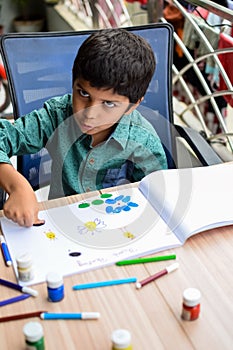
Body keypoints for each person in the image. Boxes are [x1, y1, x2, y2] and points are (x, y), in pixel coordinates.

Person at [0, 28, 167, 227]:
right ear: (73, 82)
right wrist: (17, 186)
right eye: (83, 94)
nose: (89, 113)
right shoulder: (57, 115)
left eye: (109, 104)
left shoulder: (143, 141)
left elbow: (155, 199)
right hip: (60, 224)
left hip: (116, 228)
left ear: (133, 105)